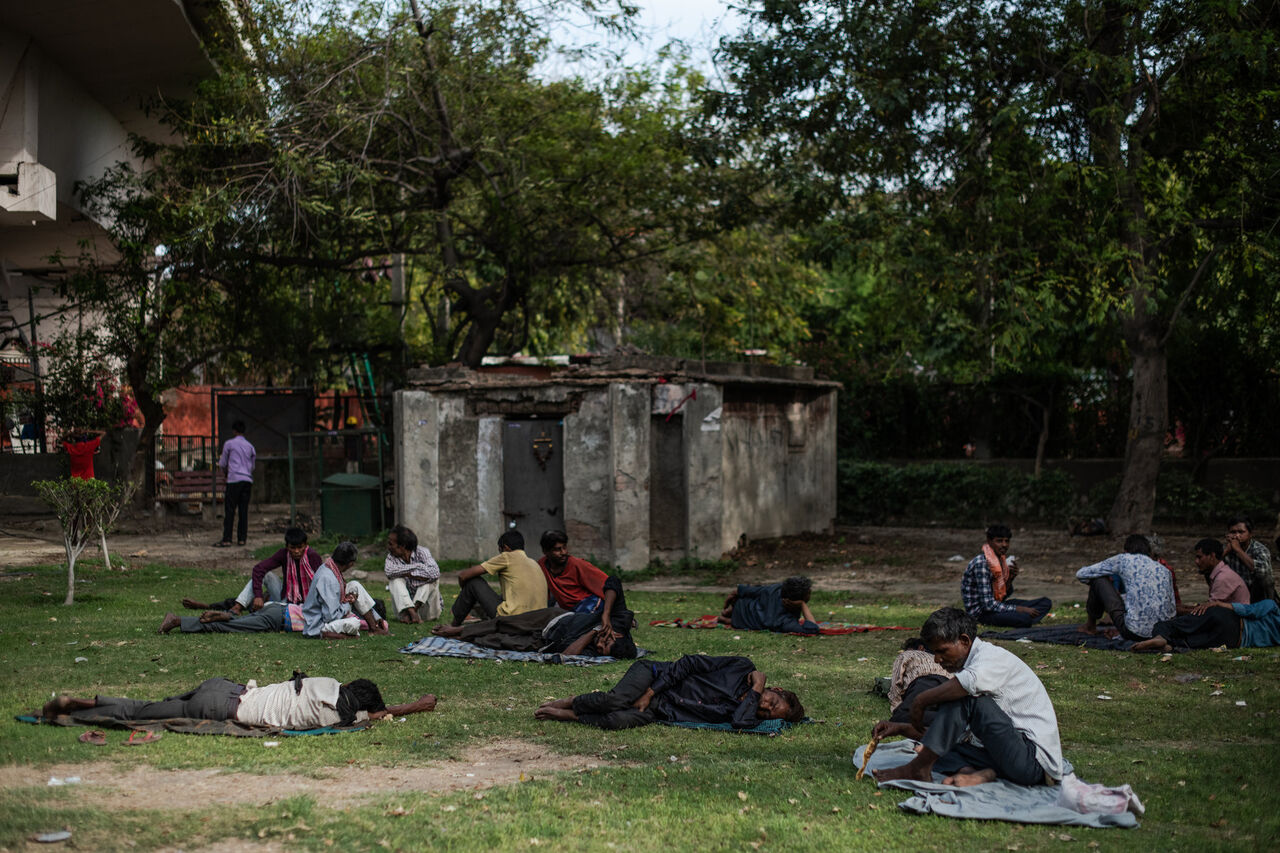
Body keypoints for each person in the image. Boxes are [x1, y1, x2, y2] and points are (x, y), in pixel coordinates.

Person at [871, 607, 1065, 787]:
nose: (937, 659)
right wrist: (902, 729)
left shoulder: (992, 658)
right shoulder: (970, 670)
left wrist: (921, 701)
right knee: (936, 748)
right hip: (1004, 757)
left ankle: (917, 769)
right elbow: (951, 731)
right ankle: (981, 773)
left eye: (942, 651)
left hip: (1032, 762)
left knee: (964, 697)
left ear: (964, 641)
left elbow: (965, 687)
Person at [159, 542, 387, 638]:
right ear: (349, 564)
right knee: (235, 628)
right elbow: (329, 616)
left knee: (237, 626)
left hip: (283, 613)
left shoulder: (328, 568)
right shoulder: (329, 577)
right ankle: (179, 621)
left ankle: (224, 614)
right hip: (281, 616)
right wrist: (347, 604)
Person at [42, 674, 436, 729]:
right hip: (223, 711)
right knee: (143, 714)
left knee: (150, 705)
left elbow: (367, 706)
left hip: (226, 687)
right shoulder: (338, 720)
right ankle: (79, 705)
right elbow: (378, 714)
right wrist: (416, 705)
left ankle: (85, 699)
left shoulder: (324, 682)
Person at [534, 654, 803, 731]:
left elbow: (740, 723)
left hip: (662, 709)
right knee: (616, 700)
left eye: (768, 710)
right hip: (654, 676)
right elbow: (689, 663)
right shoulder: (741, 667)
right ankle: (570, 701)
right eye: (772, 700)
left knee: (618, 720)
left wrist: (757, 689)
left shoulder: (746, 711)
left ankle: (569, 716)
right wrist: (650, 692)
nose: (764, 706)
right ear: (776, 689)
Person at [181, 527, 321, 615]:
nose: (296, 551)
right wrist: (259, 595)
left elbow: (321, 582)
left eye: (300, 547)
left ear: (305, 545)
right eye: (292, 548)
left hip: (305, 603)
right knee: (265, 578)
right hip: (286, 598)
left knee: (264, 608)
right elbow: (258, 569)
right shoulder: (283, 554)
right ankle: (237, 606)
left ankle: (223, 607)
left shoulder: (313, 557)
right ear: (287, 547)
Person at [431, 605, 638, 658]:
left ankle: (465, 637)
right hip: (553, 618)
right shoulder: (617, 624)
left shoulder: (595, 645)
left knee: (499, 641)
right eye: (606, 642)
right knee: (506, 623)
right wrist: (607, 622)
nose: (600, 646)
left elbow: (567, 655)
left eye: (602, 650)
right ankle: (458, 629)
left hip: (545, 642)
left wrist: (595, 633)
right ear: (617, 635)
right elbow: (619, 601)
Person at [1074, 534, 1176, 641]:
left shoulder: (1123, 559)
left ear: (1126, 551)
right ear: (1149, 552)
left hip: (1134, 633)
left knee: (1098, 579)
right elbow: (1172, 609)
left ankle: (1090, 626)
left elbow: (1081, 574)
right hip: (1162, 634)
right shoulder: (1165, 570)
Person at [538, 529, 630, 644]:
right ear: (546, 551)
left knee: (573, 634)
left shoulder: (578, 564)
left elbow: (610, 585)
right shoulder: (541, 566)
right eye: (557, 549)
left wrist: (612, 613)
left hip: (590, 606)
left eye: (564, 547)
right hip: (570, 611)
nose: (563, 552)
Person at [449, 530, 547, 627]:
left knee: (473, 582)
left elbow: (463, 575)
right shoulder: (534, 563)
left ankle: (453, 625)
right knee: (500, 596)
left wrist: (465, 591)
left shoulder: (507, 557)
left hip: (512, 619)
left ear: (505, 548)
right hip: (537, 621)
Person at [960, 524, 1052, 627]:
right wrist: (1019, 609)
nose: (1004, 545)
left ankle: (1018, 618)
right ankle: (1021, 619)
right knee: (1024, 618)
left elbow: (1001, 597)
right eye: (999, 541)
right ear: (989, 541)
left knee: (1045, 603)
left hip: (996, 607)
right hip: (981, 613)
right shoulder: (982, 563)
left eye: (1007, 541)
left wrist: (1010, 578)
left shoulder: (1001, 560)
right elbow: (988, 605)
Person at [1133, 599, 1280, 652]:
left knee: (1175, 625)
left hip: (1231, 620)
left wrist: (1218, 604)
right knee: (1189, 643)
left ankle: (1160, 636)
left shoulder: (1272, 606)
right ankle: (1169, 646)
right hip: (1234, 641)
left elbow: (1250, 611)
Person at [717, 576, 820, 634]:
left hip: (744, 605)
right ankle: (726, 618)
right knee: (751, 621)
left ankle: (728, 611)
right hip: (741, 621)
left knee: (747, 601)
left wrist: (726, 604)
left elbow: (739, 591)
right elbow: (812, 628)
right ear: (798, 599)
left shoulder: (776, 589)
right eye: (808, 593)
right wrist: (803, 605)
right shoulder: (785, 620)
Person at [384, 525, 442, 624]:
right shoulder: (391, 557)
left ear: (402, 546)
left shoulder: (423, 552)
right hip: (403, 612)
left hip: (428, 612)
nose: (388, 547)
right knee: (395, 580)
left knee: (431, 581)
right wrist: (417, 567)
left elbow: (435, 572)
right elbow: (389, 572)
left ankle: (413, 611)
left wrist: (406, 573)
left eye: (391, 544)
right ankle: (411, 612)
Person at [214, 420, 256, 548]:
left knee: (230, 510)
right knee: (243, 510)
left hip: (234, 480)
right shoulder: (250, 446)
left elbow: (222, 463)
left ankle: (227, 538)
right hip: (247, 480)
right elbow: (252, 466)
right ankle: (242, 539)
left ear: (234, 431)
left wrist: (226, 472)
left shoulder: (229, 444)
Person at [1179, 538, 1250, 613]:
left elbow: (1207, 609)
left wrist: (1181, 610)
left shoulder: (1223, 577)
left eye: (1199, 557)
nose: (1196, 561)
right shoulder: (1218, 573)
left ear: (1212, 556)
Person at [1224, 515, 1275, 603]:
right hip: (1235, 591)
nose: (1236, 535)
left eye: (1241, 532)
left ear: (1250, 534)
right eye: (1233, 532)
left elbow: (1263, 572)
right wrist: (1226, 551)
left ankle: (1268, 608)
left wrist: (1238, 550)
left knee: (1266, 579)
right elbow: (1212, 567)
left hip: (1257, 594)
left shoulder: (1259, 549)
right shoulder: (1227, 548)